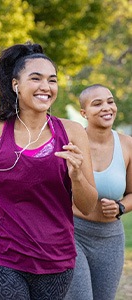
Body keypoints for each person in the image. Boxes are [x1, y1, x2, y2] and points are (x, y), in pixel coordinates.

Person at [0, 42, 98, 300]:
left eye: (52, 80)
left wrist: (77, 176)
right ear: (15, 85)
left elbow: (87, 206)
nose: (46, 86)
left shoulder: (73, 133)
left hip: (55, 259)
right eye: (36, 78)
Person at [65, 84, 132, 300]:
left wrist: (120, 207)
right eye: (97, 103)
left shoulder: (127, 145)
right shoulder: (70, 145)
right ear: (83, 113)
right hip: (73, 234)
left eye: (110, 101)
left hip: (110, 238)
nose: (107, 107)